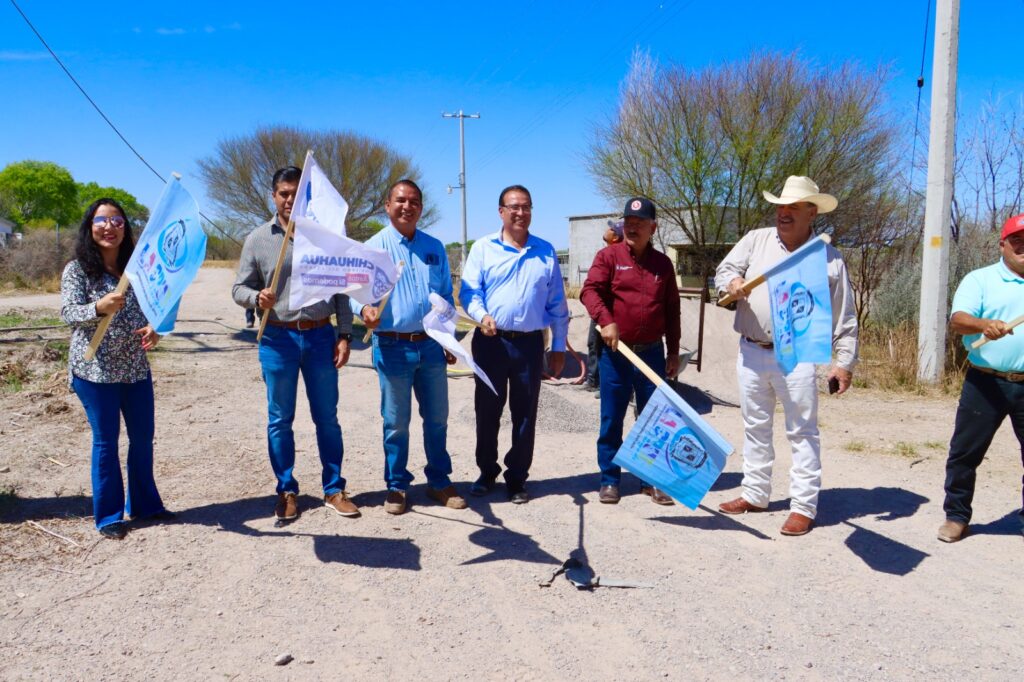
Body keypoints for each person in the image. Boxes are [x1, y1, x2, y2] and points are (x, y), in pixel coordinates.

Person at [714, 176, 858, 536]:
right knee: (755, 426)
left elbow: (845, 316)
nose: (784, 213)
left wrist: (843, 361)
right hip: (751, 349)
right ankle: (755, 493)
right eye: (781, 206)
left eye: (794, 207)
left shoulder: (828, 258)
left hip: (800, 353)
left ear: (812, 213)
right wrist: (731, 283)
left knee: (802, 431)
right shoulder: (756, 240)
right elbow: (725, 269)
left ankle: (803, 506)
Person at [232, 166, 357, 524]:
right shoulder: (258, 238)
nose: (289, 200)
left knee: (327, 419)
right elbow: (238, 289)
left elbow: (341, 290)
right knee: (279, 420)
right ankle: (286, 490)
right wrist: (258, 298)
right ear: (274, 196)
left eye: (296, 194)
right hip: (277, 338)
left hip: (320, 336)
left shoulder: (323, 237)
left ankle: (334, 489)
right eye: (284, 193)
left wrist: (345, 335)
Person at [60, 198, 172, 539]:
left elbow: (158, 306)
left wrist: (156, 327)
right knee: (106, 441)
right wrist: (98, 306)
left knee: (142, 439)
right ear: (90, 227)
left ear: (126, 228)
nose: (110, 227)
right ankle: (109, 515)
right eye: (102, 220)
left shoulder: (138, 269)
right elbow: (67, 313)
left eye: (118, 221)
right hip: (95, 373)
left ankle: (146, 505)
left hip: (135, 369)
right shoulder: (78, 269)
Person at [355, 179, 466, 515]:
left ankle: (439, 481)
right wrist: (365, 311)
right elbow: (354, 296)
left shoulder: (434, 247)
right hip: (392, 347)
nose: (407, 206)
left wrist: (448, 337)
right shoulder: (373, 249)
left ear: (421, 207)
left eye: (414, 201)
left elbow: (446, 296)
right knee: (395, 422)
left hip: (431, 347)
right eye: (400, 200)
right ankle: (397, 486)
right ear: (387, 206)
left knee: (437, 418)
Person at [459, 185, 570, 504]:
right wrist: (482, 315)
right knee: (487, 410)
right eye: (514, 207)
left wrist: (559, 346)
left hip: (530, 346)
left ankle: (517, 477)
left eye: (527, 207)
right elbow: (469, 292)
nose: (521, 213)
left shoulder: (545, 251)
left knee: (525, 413)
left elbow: (557, 304)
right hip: (491, 342)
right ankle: (486, 470)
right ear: (501, 211)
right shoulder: (482, 248)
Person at [581, 198, 681, 505]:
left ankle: (652, 480)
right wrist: (606, 320)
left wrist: (673, 352)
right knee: (612, 417)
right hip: (616, 352)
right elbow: (589, 291)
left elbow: (672, 310)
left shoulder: (663, 264)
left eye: (640, 222)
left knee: (653, 418)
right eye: (628, 221)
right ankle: (610, 479)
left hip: (651, 353)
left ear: (654, 226)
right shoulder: (608, 256)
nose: (633, 226)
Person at [938, 213, 1024, 543]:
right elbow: (958, 320)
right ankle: (957, 516)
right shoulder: (980, 280)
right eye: (1016, 239)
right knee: (965, 453)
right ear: (1002, 244)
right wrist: (983, 325)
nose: (1022, 245)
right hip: (985, 382)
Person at [583, 220, 624, 391]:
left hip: (612, 314)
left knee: (610, 349)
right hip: (599, 311)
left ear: (615, 237)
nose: (607, 230)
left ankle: (605, 385)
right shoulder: (604, 254)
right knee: (594, 345)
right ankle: (593, 380)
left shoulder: (614, 256)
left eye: (611, 228)